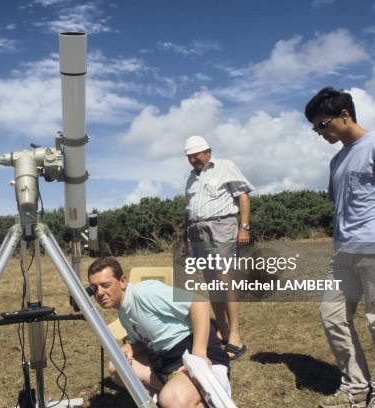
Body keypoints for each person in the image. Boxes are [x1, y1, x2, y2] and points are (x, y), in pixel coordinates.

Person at [305, 87, 375, 408]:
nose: (320, 132)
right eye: (315, 128)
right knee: (332, 315)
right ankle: (355, 387)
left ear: (345, 114)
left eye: (323, 124)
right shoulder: (337, 160)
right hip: (344, 252)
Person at [87, 257, 230, 408]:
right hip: (165, 361)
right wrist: (131, 348)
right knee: (117, 368)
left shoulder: (145, 292)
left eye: (105, 285)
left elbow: (198, 301)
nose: (100, 293)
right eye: (95, 288)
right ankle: (182, 394)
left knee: (170, 400)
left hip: (196, 351)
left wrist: (198, 356)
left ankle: (195, 394)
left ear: (122, 281)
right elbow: (147, 342)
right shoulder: (123, 312)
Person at [182, 135, 253, 360]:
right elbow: (188, 209)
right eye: (189, 156)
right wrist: (186, 238)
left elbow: (243, 196)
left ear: (208, 152)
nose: (193, 160)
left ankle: (235, 336)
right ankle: (221, 330)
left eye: (196, 155)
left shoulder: (225, 166)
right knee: (211, 281)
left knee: (225, 278)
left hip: (222, 225)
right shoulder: (191, 179)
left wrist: (244, 227)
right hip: (197, 230)